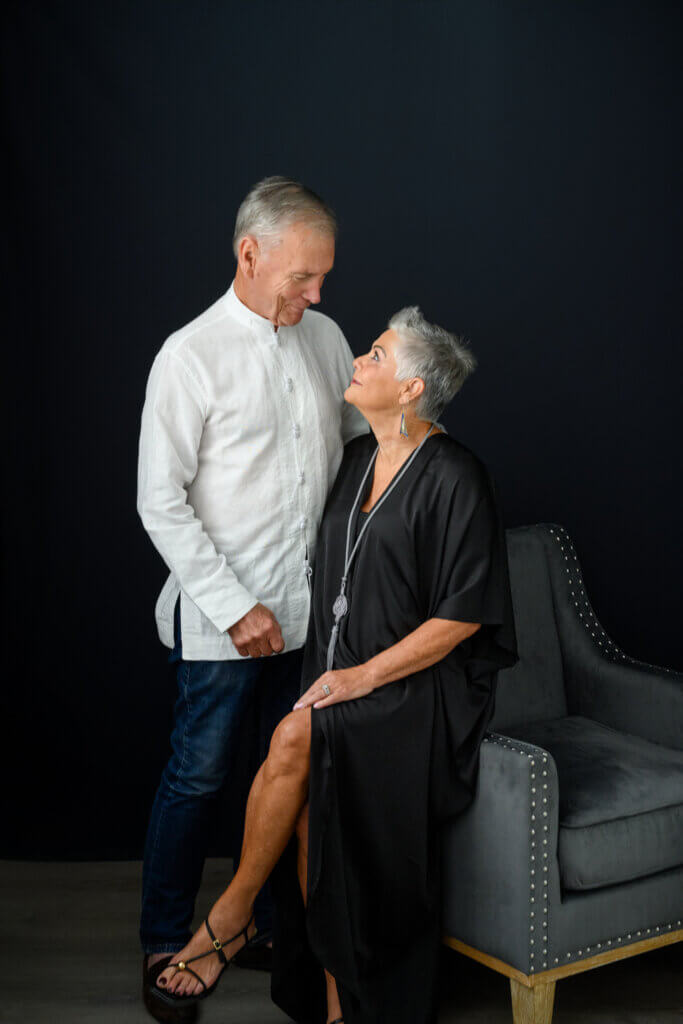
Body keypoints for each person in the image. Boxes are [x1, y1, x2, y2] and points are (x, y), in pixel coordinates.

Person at [150, 306, 519, 1024]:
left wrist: (358, 677)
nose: (358, 360)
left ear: (412, 388)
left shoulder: (456, 476)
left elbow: (461, 618)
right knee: (312, 805)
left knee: (292, 739)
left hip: (418, 692)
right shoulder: (353, 460)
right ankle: (334, 1003)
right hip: (342, 678)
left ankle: (228, 920)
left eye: (377, 355)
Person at [137, 176, 369, 1022]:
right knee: (199, 778)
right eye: (302, 277)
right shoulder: (189, 355)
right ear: (249, 253)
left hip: (313, 618)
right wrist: (236, 606)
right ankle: (166, 938)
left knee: (287, 780)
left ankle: (269, 928)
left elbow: (359, 448)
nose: (315, 294)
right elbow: (158, 501)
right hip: (221, 619)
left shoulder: (326, 335)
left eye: (322, 278)